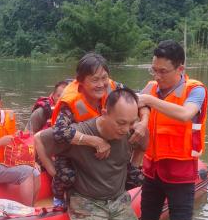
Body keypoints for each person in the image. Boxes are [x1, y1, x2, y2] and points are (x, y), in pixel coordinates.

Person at [35, 88, 147, 220]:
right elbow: (40, 140)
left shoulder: (133, 132)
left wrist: (133, 168)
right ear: (104, 112)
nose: (125, 130)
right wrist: (54, 172)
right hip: (86, 199)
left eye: (131, 122)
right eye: (120, 123)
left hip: (117, 198)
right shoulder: (78, 133)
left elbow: (142, 147)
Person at [137, 40, 208, 220]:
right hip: (153, 168)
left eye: (163, 71)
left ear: (180, 68)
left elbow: (186, 114)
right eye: (154, 70)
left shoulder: (195, 90)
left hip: (180, 170)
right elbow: (136, 107)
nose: (157, 76)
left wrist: (149, 101)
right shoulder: (150, 87)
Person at [48, 53, 147, 208]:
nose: (101, 84)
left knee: (136, 178)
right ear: (81, 80)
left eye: (104, 78)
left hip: (111, 141)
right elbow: (60, 132)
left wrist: (144, 122)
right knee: (67, 176)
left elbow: (141, 101)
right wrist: (94, 141)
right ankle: (59, 195)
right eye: (95, 79)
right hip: (76, 148)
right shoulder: (71, 100)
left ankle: (117, 201)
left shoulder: (114, 87)